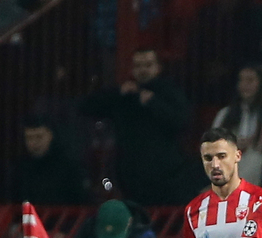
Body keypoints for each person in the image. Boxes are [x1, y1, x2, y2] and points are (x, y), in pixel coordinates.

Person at [81, 48, 191, 205]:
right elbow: (87, 107)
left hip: (164, 172)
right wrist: (117, 93)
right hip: (129, 171)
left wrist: (154, 103)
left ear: (158, 67)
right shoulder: (125, 95)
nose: (143, 70)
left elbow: (181, 121)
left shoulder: (170, 91)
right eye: (138, 66)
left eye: (148, 65)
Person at [212, 66, 262, 187]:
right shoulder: (226, 114)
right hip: (230, 161)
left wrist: (260, 143)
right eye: (241, 81)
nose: (245, 85)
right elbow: (212, 144)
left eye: (250, 80)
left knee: (256, 159)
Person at [12, 115, 87, 205]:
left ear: (50, 136)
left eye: (39, 137)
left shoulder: (68, 166)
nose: (34, 143)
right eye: (29, 138)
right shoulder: (20, 168)